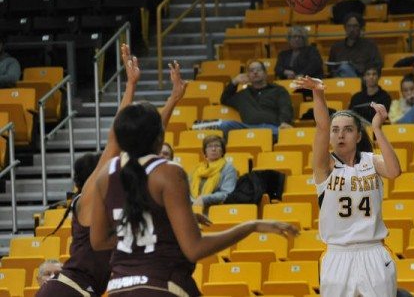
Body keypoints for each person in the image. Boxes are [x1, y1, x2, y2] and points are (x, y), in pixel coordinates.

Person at [90, 101, 298, 296]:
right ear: (160, 137)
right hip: (161, 285)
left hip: (118, 287)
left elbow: (98, 241)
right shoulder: (168, 172)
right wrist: (250, 226)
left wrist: (160, 225)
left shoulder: (105, 174)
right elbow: (194, 249)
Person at [37, 44, 186, 297]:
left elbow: (148, 139)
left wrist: (173, 99)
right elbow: (117, 140)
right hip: (66, 291)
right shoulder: (89, 198)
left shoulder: (117, 205)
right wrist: (130, 86)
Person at [293, 76, 401, 297]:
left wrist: (378, 130)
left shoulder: (372, 161)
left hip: (373, 251)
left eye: (348, 129)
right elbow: (322, 127)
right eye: (336, 130)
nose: (340, 134)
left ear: (359, 135)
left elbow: (394, 171)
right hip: (337, 255)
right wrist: (318, 92)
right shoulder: (325, 167)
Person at [218, 60, 294, 140]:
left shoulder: (278, 90)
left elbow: (285, 107)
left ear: (265, 74)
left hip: (270, 128)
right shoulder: (243, 94)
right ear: (248, 76)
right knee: (225, 125)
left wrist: (284, 122)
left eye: (258, 70)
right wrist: (234, 82)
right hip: (247, 128)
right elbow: (224, 99)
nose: (255, 72)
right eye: (251, 71)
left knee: (284, 134)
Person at [190, 135, 237, 213]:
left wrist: (204, 199)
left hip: (215, 210)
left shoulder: (228, 168)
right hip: (193, 207)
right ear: (205, 151)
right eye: (209, 146)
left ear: (222, 151)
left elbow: (226, 193)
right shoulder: (197, 169)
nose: (213, 149)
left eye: (217, 146)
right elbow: (187, 190)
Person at [328, 13, 382, 78]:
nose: (352, 29)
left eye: (355, 26)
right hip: (340, 82)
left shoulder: (370, 46)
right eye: (349, 26)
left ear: (360, 28)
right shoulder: (336, 47)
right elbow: (330, 69)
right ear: (345, 28)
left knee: (345, 67)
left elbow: (377, 65)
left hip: (363, 80)